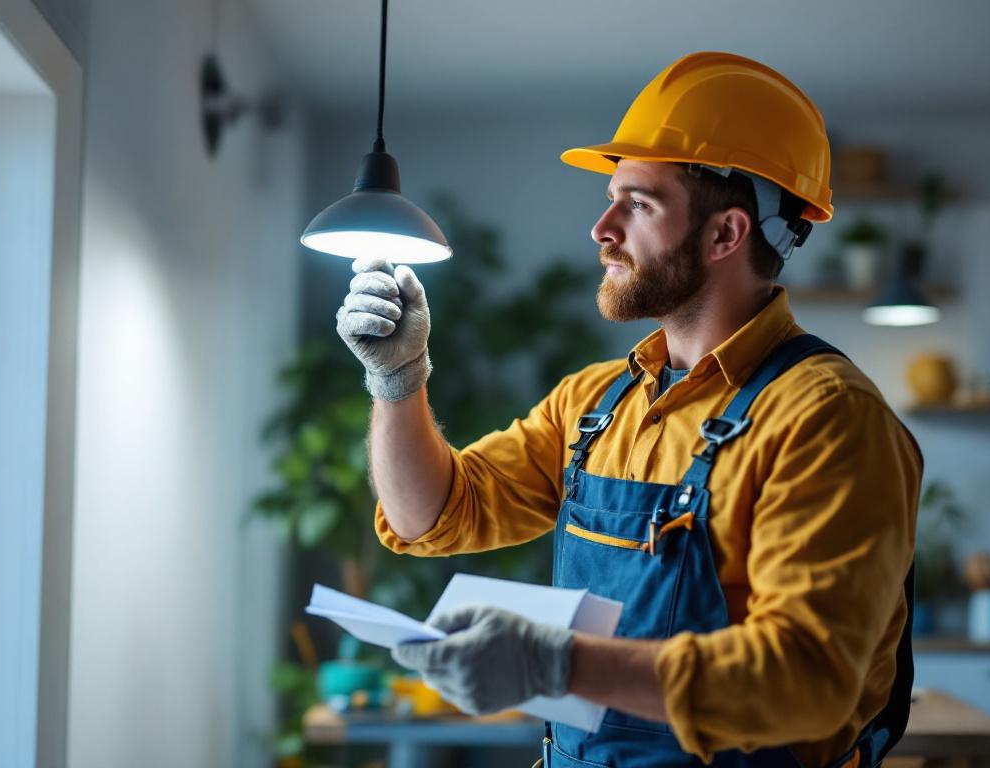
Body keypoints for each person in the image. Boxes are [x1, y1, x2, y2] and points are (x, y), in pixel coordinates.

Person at [334, 51, 921, 768]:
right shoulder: (595, 405)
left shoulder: (826, 418)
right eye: (611, 199)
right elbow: (432, 515)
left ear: (725, 235)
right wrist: (399, 380)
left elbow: (807, 680)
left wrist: (559, 666)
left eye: (638, 204)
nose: (601, 228)